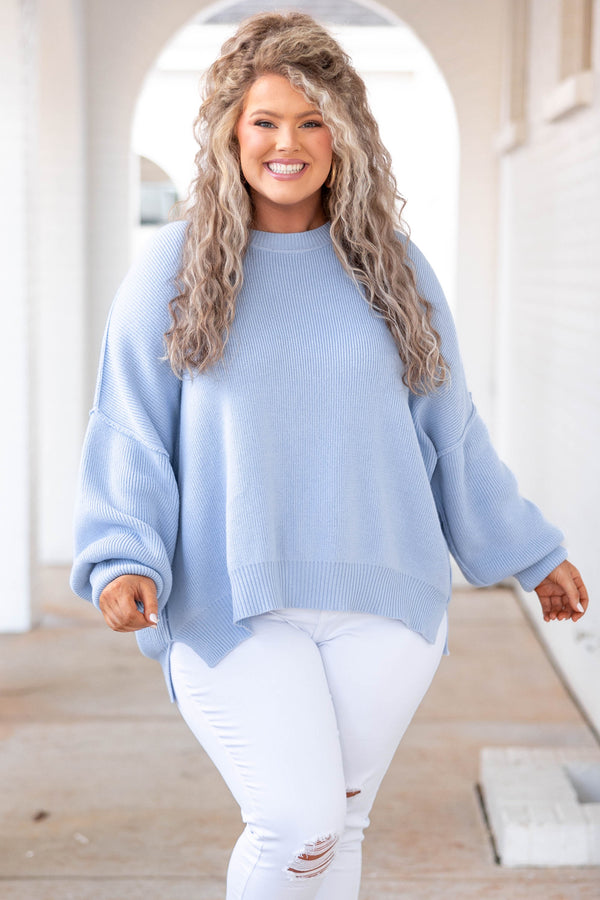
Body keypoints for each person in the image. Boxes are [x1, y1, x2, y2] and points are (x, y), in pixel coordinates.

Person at [70, 11, 589, 900]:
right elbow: (130, 427)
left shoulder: (395, 270)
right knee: (296, 823)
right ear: (233, 131)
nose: (289, 143)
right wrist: (122, 555)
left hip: (383, 602)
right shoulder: (174, 269)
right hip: (231, 603)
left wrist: (530, 553)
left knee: (341, 826)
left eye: (313, 121)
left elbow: (451, 431)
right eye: (267, 120)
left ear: (344, 137)